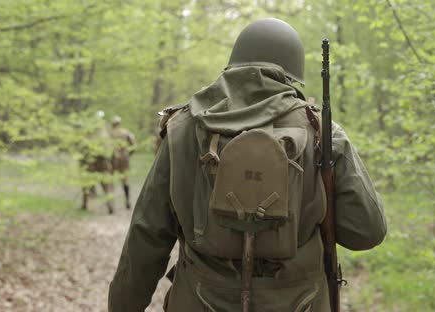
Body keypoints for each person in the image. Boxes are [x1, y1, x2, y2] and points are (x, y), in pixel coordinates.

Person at [109, 18, 386, 311]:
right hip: (300, 303)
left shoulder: (184, 127)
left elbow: (147, 235)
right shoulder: (321, 131)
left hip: (199, 300)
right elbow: (366, 232)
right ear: (292, 73)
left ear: (234, 64)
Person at [79, 110, 114, 214]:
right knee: (105, 184)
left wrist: (82, 160)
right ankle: (109, 206)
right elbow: (111, 146)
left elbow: (84, 145)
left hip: (92, 160)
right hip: (103, 160)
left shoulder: (91, 129)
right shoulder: (106, 130)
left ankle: (85, 204)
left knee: (87, 182)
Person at [109, 115, 136, 209]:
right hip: (124, 157)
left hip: (112, 158)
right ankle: (127, 200)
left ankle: (111, 204)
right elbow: (133, 145)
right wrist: (129, 155)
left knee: (110, 180)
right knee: (125, 179)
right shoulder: (125, 132)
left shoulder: (110, 133)